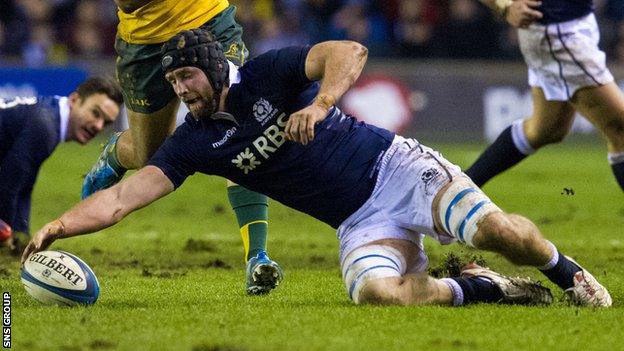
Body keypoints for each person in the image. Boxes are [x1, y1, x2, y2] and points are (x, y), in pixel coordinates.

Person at [22, 29, 612, 308]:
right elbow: (124, 198)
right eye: (172, 84)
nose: (181, 91)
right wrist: (61, 225)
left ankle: (565, 273)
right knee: (378, 295)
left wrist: (320, 103)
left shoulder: (267, 74)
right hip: (357, 222)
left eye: (185, 78)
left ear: (211, 67)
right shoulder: (192, 143)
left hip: (398, 170)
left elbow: (348, 52)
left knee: (500, 232)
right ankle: (480, 288)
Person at [82, 0, 283, 295]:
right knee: (149, 156)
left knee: (241, 127)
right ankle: (118, 151)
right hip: (146, 40)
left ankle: (257, 257)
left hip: (209, 19)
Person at [466, 0, 624, 189]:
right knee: (620, 129)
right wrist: (505, 5)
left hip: (577, 20)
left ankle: (458, 189)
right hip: (556, 30)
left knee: (546, 129)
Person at [0, 77, 123, 254]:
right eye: (95, 113)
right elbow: (8, 185)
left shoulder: (47, 115)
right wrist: (7, 237)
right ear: (74, 100)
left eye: (106, 123)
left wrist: (21, 235)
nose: (98, 126)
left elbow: (24, 184)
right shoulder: (45, 127)